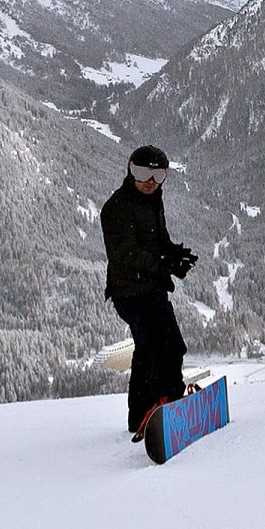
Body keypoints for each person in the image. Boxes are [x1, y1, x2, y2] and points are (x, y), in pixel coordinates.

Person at [101, 144, 198, 439]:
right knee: (159, 346)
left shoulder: (153, 200)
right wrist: (163, 263)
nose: (150, 181)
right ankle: (157, 406)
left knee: (163, 347)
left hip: (151, 288)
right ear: (130, 171)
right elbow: (125, 254)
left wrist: (175, 255)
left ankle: (159, 405)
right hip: (130, 292)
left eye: (158, 175)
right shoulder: (116, 208)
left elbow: (157, 242)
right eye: (142, 173)